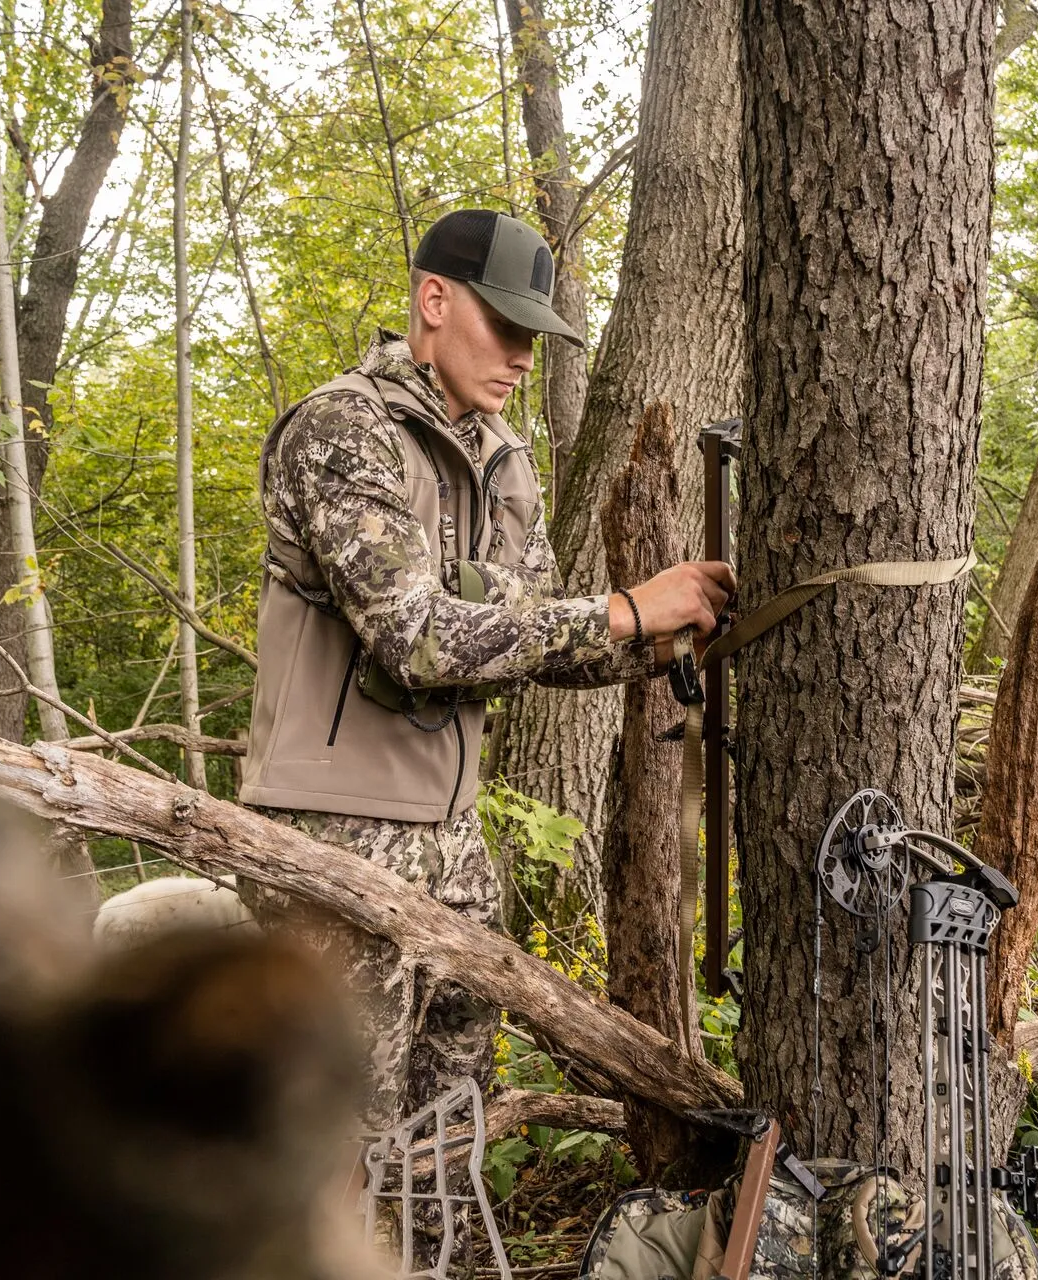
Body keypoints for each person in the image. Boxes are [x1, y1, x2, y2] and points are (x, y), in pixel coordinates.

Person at [239, 208, 735, 1131]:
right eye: (506, 329)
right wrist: (629, 607)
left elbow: (539, 640)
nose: (521, 357)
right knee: (336, 1143)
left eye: (534, 338)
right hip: (331, 842)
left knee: (451, 1134)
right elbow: (417, 637)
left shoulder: (503, 458)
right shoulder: (342, 430)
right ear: (434, 300)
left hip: (454, 844)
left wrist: (672, 635)